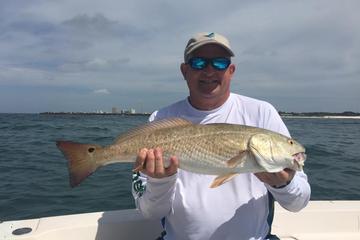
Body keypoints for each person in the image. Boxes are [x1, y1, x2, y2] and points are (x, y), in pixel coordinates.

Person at [132, 32, 311, 240]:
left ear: (231, 70)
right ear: (184, 70)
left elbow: (299, 203)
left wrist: (282, 184)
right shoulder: (161, 118)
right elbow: (149, 213)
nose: (209, 70)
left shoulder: (262, 113)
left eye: (219, 63)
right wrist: (160, 181)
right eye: (198, 62)